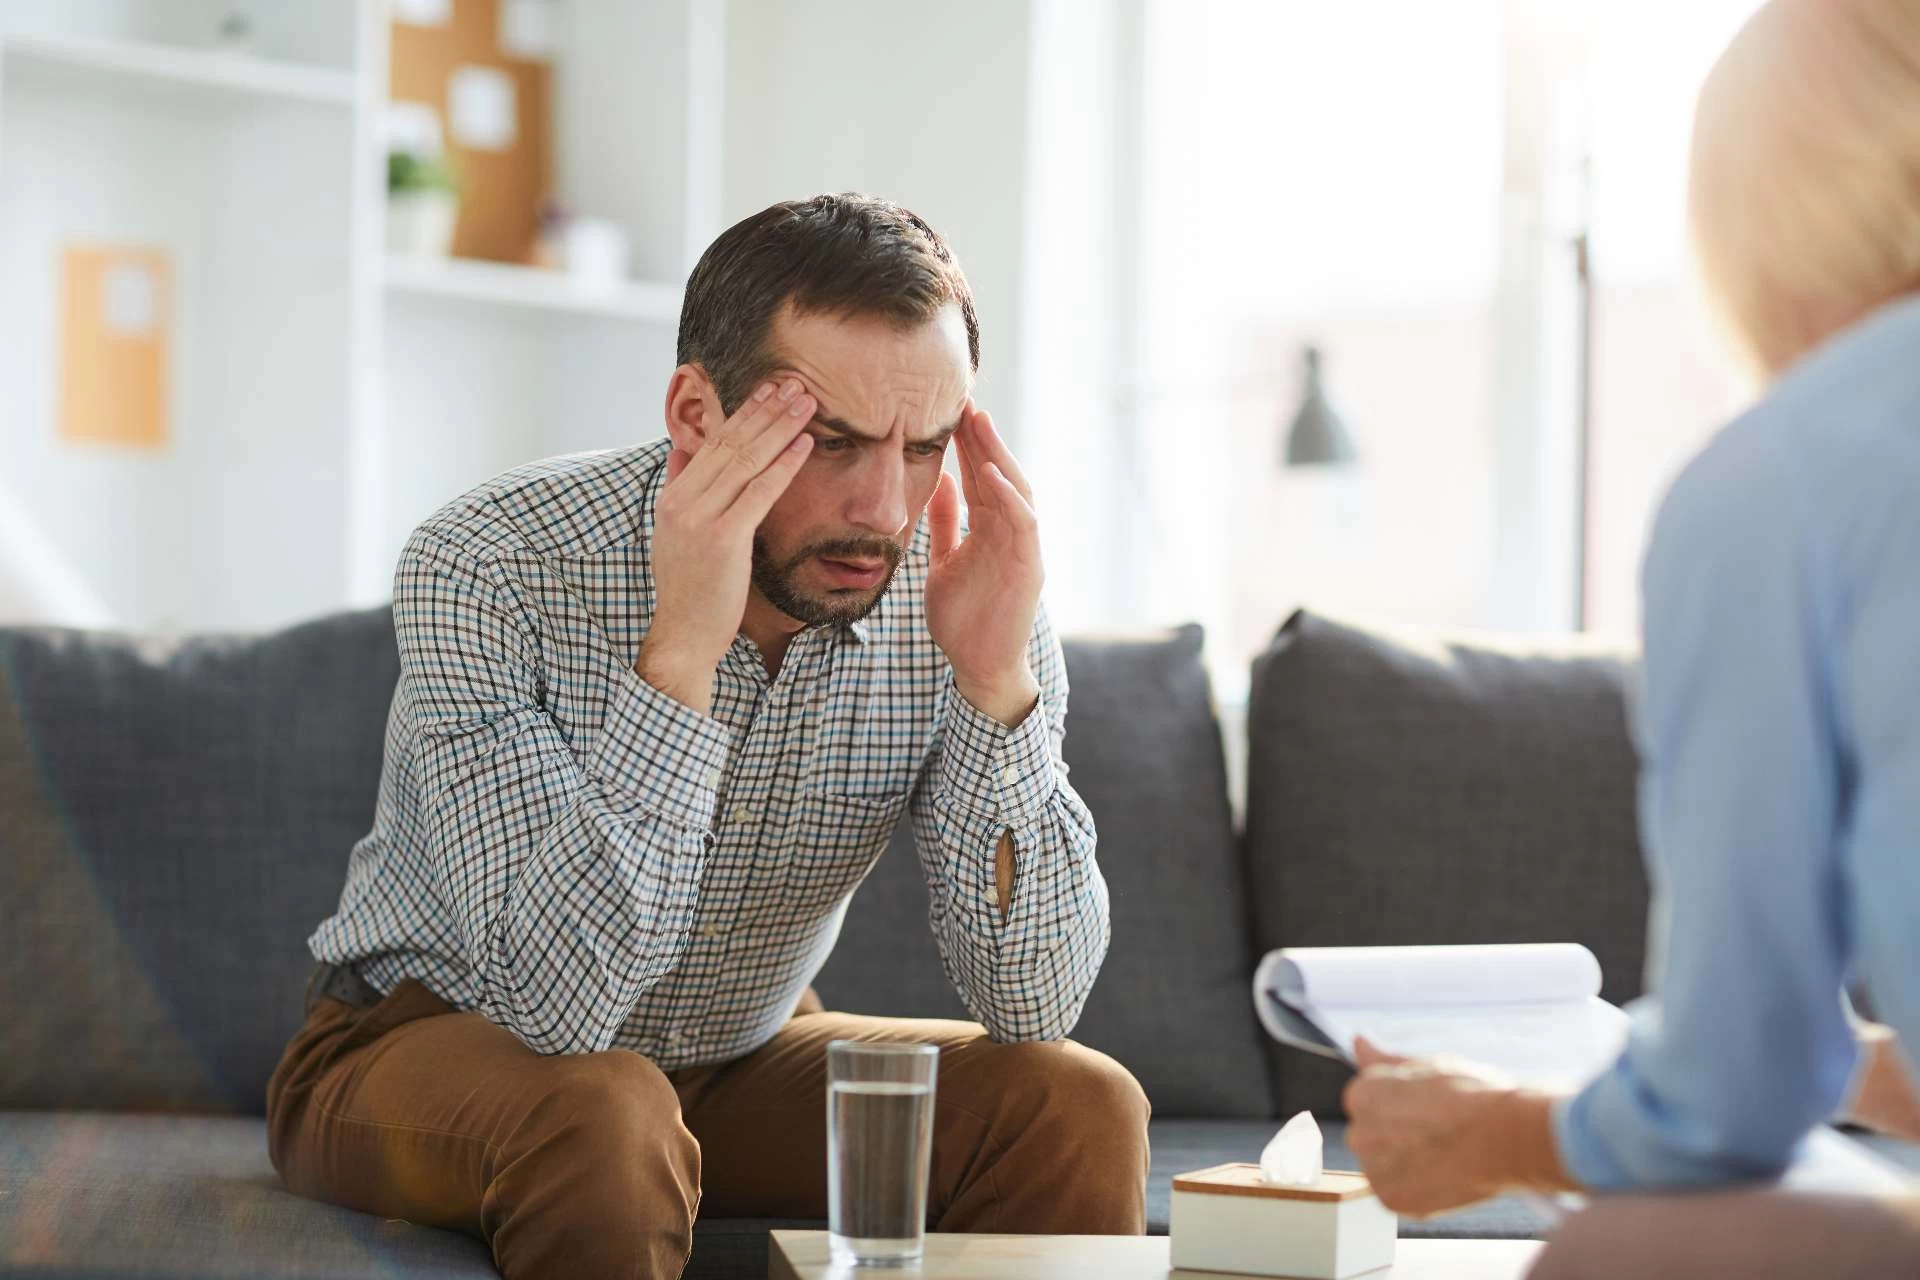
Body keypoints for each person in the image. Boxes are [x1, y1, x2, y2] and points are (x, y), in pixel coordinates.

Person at [266, 193, 1148, 1279]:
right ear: (696, 413)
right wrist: (681, 654)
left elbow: (1037, 1000)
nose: (884, 508)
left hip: (736, 1055)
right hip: (425, 1043)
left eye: (924, 448)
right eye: (831, 442)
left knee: (1078, 1099)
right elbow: (559, 1006)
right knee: (605, 1110)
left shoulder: (963, 589)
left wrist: (996, 683)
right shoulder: (492, 562)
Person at [1342, 2, 1920, 1273]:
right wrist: (1864, 1069)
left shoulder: (1783, 480)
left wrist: (1496, 1129)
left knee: (1631, 1242)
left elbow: (1727, 1101)